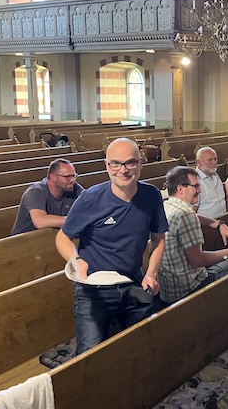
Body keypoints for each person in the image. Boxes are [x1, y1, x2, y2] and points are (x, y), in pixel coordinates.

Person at [55, 138, 169, 355]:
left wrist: (151, 274)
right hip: (93, 286)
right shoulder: (90, 199)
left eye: (130, 163)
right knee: (90, 354)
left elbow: (158, 238)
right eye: (115, 163)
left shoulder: (151, 195)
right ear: (107, 165)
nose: (123, 170)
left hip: (132, 279)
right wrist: (76, 260)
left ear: (140, 163)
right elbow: (63, 237)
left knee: (144, 343)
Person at [158, 166, 228, 304]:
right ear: (180, 189)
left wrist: (218, 224)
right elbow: (197, 260)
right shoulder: (186, 214)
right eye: (196, 186)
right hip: (189, 288)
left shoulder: (166, 206)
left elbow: (193, 218)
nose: (200, 190)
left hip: (168, 289)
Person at [11, 158, 84, 235]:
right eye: (67, 177)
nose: (72, 180)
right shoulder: (35, 192)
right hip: (24, 239)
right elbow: (40, 222)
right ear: (53, 177)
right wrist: (74, 220)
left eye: (74, 176)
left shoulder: (73, 188)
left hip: (50, 237)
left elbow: (89, 204)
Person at [194, 146, 227, 218]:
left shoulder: (215, 174)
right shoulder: (194, 181)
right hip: (208, 223)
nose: (214, 162)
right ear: (199, 162)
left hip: (224, 218)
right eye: (210, 160)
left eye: (215, 159)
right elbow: (193, 211)